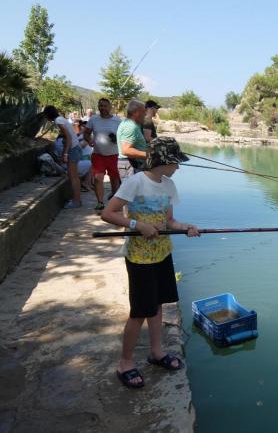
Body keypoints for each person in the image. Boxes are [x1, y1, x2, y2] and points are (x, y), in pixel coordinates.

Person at [101, 137, 199, 389]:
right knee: (139, 312)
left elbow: (170, 222)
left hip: (162, 253)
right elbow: (108, 213)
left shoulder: (169, 185)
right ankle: (125, 363)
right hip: (140, 257)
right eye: (175, 162)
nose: (178, 167)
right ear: (163, 162)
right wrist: (138, 224)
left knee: (157, 305)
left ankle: (157, 352)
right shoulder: (135, 182)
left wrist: (185, 227)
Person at [83, 98, 122, 211]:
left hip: (114, 155)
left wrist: (116, 139)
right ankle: (100, 203)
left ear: (110, 107)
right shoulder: (93, 119)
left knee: (114, 179)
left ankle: (114, 201)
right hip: (98, 155)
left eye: (105, 106)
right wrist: (89, 141)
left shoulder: (117, 120)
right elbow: (86, 133)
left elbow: (122, 136)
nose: (103, 108)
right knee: (98, 178)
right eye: (100, 106)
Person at [43, 106, 82, 208]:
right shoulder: (61, 119)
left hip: (73, 149)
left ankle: (76, 201)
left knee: (73, 177)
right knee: (73, 176)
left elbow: (68, 137)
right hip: (74, 148)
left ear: (47, 115)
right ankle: (76, 199)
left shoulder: (58, 121)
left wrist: (65, 154)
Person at [117, 99, 147, 180]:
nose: (145, 114)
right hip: (130, 165)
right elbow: (126, 150)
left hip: (131, 164)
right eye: (143, 111)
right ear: (135, 112)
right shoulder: (130, 127)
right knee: (132, 192)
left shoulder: (131, 123)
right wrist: (149, 155)